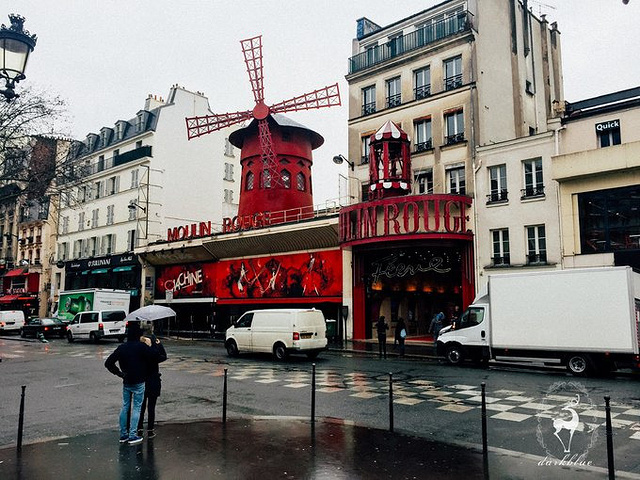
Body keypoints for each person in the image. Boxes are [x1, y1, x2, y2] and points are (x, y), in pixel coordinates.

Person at [105, 322, 155, 445]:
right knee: (137, 407)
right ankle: (133, 435)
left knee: (125, 406)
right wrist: (151, 345)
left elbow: (108, 363)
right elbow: (153, 358)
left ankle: (123, 434)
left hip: (126, 380)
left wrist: (120, 373)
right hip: (139, 380)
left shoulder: (122, 348)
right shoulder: (141, 347)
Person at [137, 321, 167, 439]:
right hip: (154, 377)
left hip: (142, 377)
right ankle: (150, 429)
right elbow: (164, 355)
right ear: (152, 329)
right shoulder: (156, 341)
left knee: (141, 405)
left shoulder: (139, 341)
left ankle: (139, 428)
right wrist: (156, 360)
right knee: (152, 406)